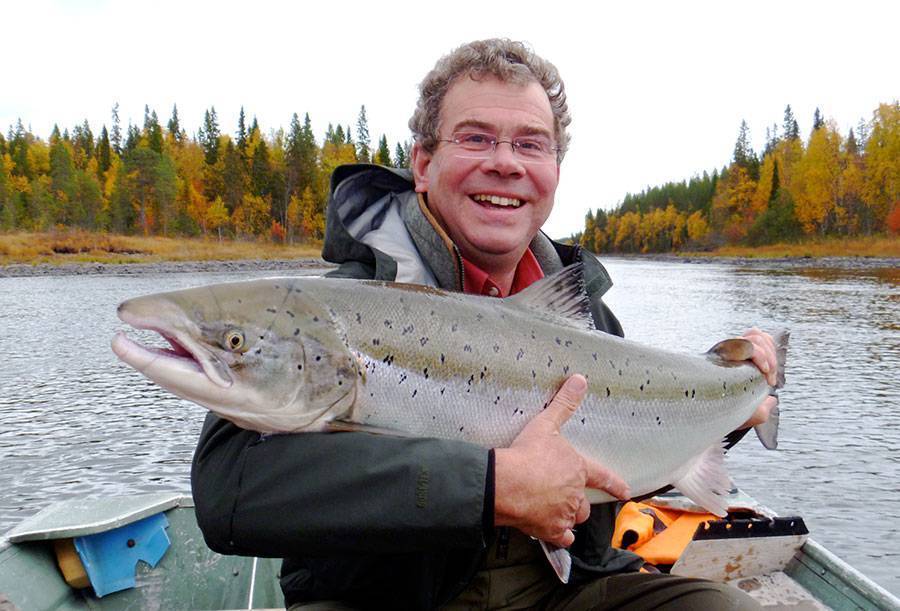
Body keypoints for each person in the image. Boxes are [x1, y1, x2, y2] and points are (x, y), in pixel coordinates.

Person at [191, 39, 779, 609]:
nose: (505, 163)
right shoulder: (337, 310)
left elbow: (632, 447)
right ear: (423, 163)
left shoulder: (587, 318)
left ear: (553, 170)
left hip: (569, 589)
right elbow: (229, 493)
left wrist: (735, 406)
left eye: (532, 145)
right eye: (477, 138)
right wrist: (492, 484)